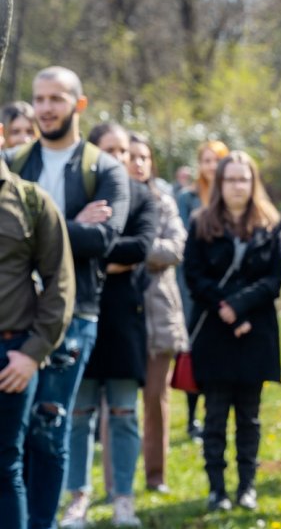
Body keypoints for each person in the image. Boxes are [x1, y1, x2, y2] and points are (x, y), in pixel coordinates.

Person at [7, 66, 130, 529]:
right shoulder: (16, 161)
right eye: (39, 99)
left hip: (76, 314)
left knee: (49, 429)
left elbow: (104, 239)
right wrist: (68, 221)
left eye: (56, 98)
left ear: (78, 104)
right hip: (17, 313)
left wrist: (38, 227)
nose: (45, 108)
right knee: (12, 437)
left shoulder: (104, 167)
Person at [61, 123, 158, 528]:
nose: (119, 157)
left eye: (124, 150)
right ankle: (78, 498)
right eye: (110, 150)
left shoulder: (141, 196)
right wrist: (80, 234)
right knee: (78, 413)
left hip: (124, 320)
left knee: (123, 413)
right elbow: (55, 239)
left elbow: (141, 246)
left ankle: (123, 498)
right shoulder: (78, 193)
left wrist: (89, 243)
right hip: (78, 313)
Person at [184, 151, 281, 513]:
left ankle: (247, 487)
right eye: (230, 179)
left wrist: (239, 307)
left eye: (243, 179)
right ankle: (217, 490)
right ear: (219, 184)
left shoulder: (271, 225)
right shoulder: (201, 223)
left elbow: (274, 279)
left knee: (250, 417)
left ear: (253, 182)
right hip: (215, 334)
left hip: (256, 333)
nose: (237, 186)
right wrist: (225, 308)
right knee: (214, 416)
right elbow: (194, 276)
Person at [0, 120, 74, 529]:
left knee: (5, 466)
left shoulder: (30, 201)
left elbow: (60, 286)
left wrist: (32, 354)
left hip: (9, 358)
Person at [127, 133, 188, 495]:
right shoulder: (109, 200)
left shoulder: (164, 203)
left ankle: (155, 476)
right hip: (120, 314)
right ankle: (118, 483)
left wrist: (133, 247)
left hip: (160, 312)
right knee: (115, 404)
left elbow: (175, 249)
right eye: (131, 156)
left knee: (155, 397)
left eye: (144, 157)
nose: (137, 163)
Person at [175, 139, 228, 444]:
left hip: (221, 285)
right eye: (206, 160)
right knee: (191, 347)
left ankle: (213, 410)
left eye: (216, 160)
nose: (211, 166)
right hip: (191, 284)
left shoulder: (231, 196)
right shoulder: (188, 198)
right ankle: (192, 415)